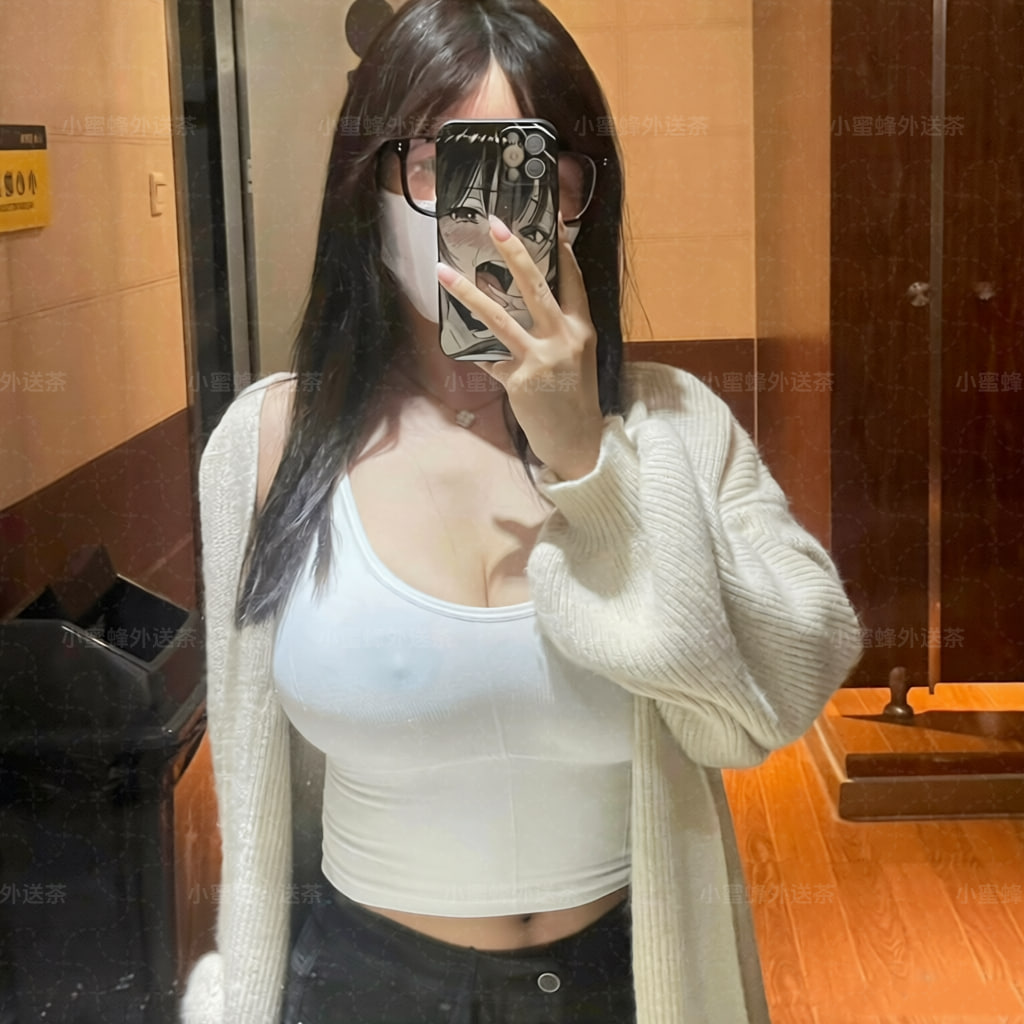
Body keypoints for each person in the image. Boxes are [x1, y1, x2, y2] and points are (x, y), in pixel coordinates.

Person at [181, 0, 863, 1022]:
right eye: (440, 167)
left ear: (579, 200)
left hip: (625, 982)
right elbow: (248, 795)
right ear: (368, 183)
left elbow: (766, 704)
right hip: (359, 983)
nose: (488, 218)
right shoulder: (267, 442)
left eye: (532, 173)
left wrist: (588, 460)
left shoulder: (676, 425)